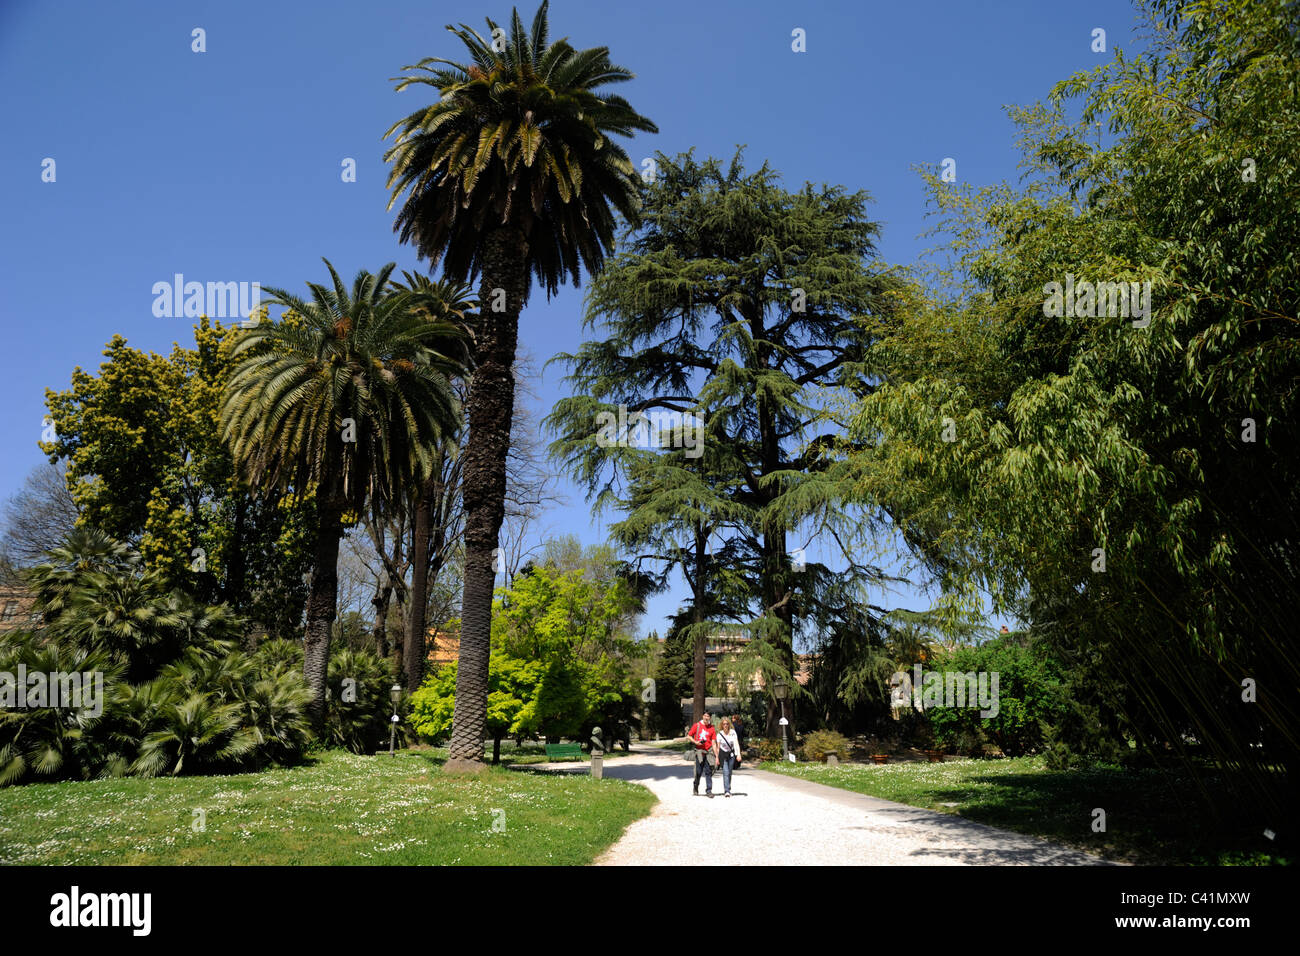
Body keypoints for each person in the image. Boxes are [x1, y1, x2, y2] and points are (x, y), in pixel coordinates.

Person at [687, 711, 717, 796]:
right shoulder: (697, 725)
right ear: (702, 716)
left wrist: (716, 755)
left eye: (708, 716)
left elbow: (714, 742)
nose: (706, 717)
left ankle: (709, 791)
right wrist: (696, 742)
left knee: (708, 771)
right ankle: (695, 787)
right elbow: (689, 736)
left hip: (708, 753)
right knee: (698, 772)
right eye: (705, 715)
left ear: (710, 718)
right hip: (699, 752)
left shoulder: (712, 728)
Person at [716, 717, 741, 797]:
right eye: (724, 724)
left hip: (731, 754)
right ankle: (727, 791)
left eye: (727, 724)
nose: (725, 725)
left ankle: (728, 787)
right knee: (725, 772)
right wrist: (717, 757)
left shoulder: (733, 732)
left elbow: (736, 744)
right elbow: (718, 747)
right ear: (722, 725)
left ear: (729, 724)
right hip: (723, 755)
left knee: (729, 772)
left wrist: (738, 754)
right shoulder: (719, 734)